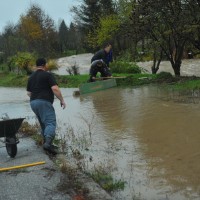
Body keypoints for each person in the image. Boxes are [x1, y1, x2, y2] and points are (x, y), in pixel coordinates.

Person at [26, 58, 66, 155]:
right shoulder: (48, 75)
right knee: (50, 123)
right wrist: (62, 100)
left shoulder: (31, 77)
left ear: (37, 66)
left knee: (43, 123)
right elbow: (55, 89)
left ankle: (47, 144)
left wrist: (36, 99)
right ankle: (48, 144)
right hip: (43, 102)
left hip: (33, 103)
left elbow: (29, 93)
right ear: (44, 65)